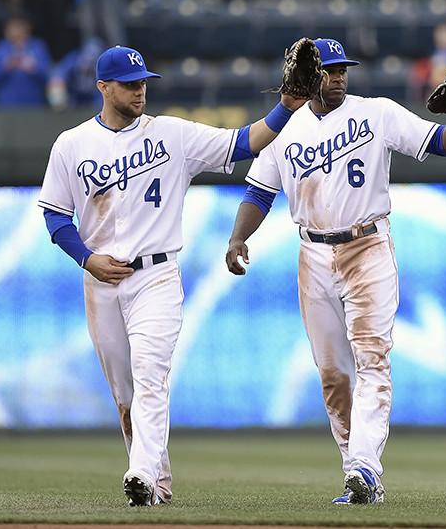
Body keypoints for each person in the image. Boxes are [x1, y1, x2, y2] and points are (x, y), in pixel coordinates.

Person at [37, 44, 308, 506]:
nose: (140, 90)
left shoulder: (172, 135)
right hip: (101, 280)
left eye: (144, 82)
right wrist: (85, 258)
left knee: (150, 375)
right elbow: (56, 216)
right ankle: (154, 484)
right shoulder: (72, 143)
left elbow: (242, 143)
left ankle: (139, 472)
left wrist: (284, 107)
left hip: (157, 276)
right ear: (104, 87)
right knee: (125, 395)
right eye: (129, 83)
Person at [225, 38, 446, 505]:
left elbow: (441, 145)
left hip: (368, 246)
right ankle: (356, 470)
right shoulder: (285, 128)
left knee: (372, 359)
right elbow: (259, 192)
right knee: (332, 374)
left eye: (343, 68)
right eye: (329, 70)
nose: (339, 76)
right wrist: (238, 237)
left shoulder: (377, 111)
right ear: (309, 77)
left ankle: (365, 467)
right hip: (313, 253)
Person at [0, 15, 51, 108]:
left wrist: (32, 67)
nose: (15, 32)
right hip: (5, 106)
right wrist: (7, 66)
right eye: (12, 28)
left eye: (19, 27)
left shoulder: (38, 47)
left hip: (34, 105)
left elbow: (47, 74)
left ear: (27, 29)